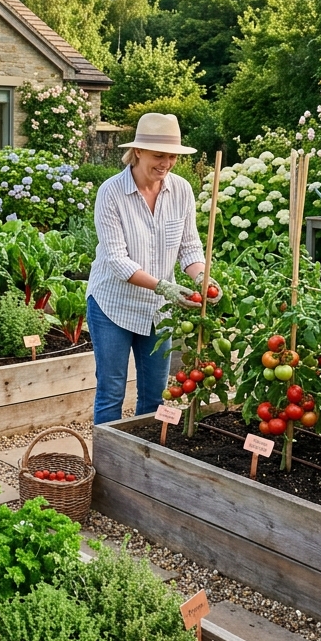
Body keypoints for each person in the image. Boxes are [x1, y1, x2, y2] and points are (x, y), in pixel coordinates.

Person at [86, 112, 220, 424]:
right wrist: (164, 286)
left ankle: (141, 466)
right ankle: (107, 467)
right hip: (113, 305)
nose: (166, 163)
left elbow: (189, 246)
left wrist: (201, 277)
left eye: (172, 156)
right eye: (159, 155)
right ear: (138, 152)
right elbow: (117, 260)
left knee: (155, 395)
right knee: (112, 391)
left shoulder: (182, 190)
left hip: (159, 310)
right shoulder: (111, 193)